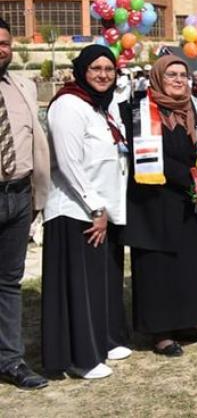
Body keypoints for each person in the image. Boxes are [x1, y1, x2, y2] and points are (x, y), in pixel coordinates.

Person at [42, 45, 130, 380]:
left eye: (109, 69)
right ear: (81, 70)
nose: (103, 75)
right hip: (75, 210)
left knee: (100, 282)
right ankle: (81, 357)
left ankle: (104, 340)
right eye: (96, 68)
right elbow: (69, 163)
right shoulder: (68, 105)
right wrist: (95, 206)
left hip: (102, 209)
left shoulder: (100, 107)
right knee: (79, 287)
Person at [122, 55, 197, 356]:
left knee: (190, 263)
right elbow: (150, 155)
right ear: (157, 78)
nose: (178, 80)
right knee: (159, 267)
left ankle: (188, 322)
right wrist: (190, 179)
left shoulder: (196, 108)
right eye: (171, 74)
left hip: (192, 200)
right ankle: (161, 332)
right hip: (155, 200)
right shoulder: (139, 110)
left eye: (182, 75)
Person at [0, 18, 50, 389]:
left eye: (4, 43)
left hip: (18, 196)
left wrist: (36, 196)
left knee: (9, 283)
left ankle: (10, 361)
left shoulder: (23, 86)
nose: (0, 50)